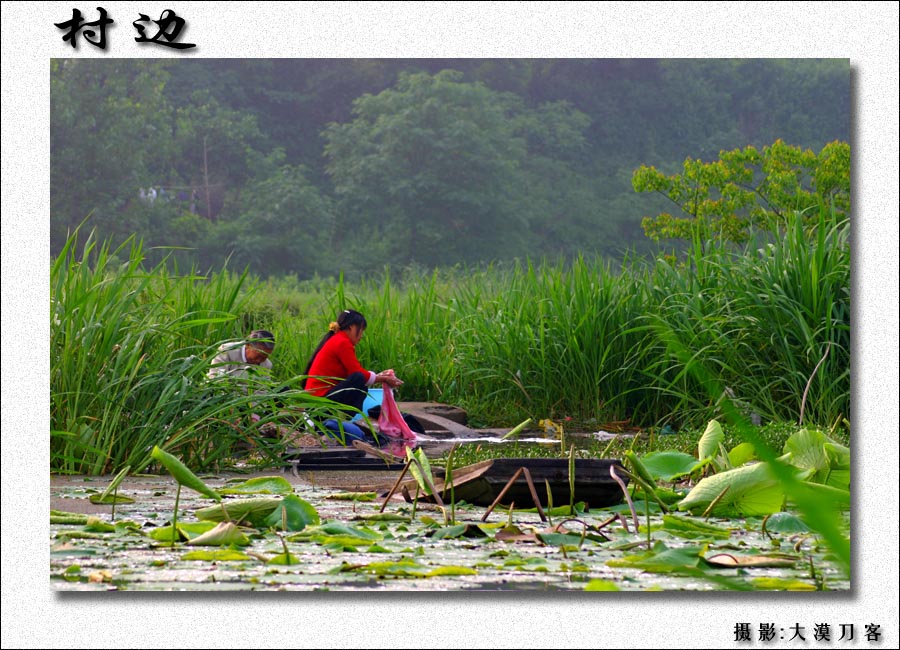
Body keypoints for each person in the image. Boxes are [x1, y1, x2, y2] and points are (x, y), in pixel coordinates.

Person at [302, 310, 403, 416]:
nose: (361, 335)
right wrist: (384, 378)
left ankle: (339, 419)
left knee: (361, 383)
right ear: (352, 327)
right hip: (318, 404)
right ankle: (339, 419)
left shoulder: (336, 339)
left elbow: (354, 373)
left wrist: (379, 377)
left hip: (316, 402)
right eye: (361, 330)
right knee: (359, 379)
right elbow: (357, 373)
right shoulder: (342, 342)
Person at [207, 329, 275, 384]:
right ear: (248, 345)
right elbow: (215, 377)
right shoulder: (227, 351)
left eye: (264, 357)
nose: (259, 361)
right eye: (258, 355)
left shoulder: (267, 365)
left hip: (247, 397)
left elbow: (262, 391)